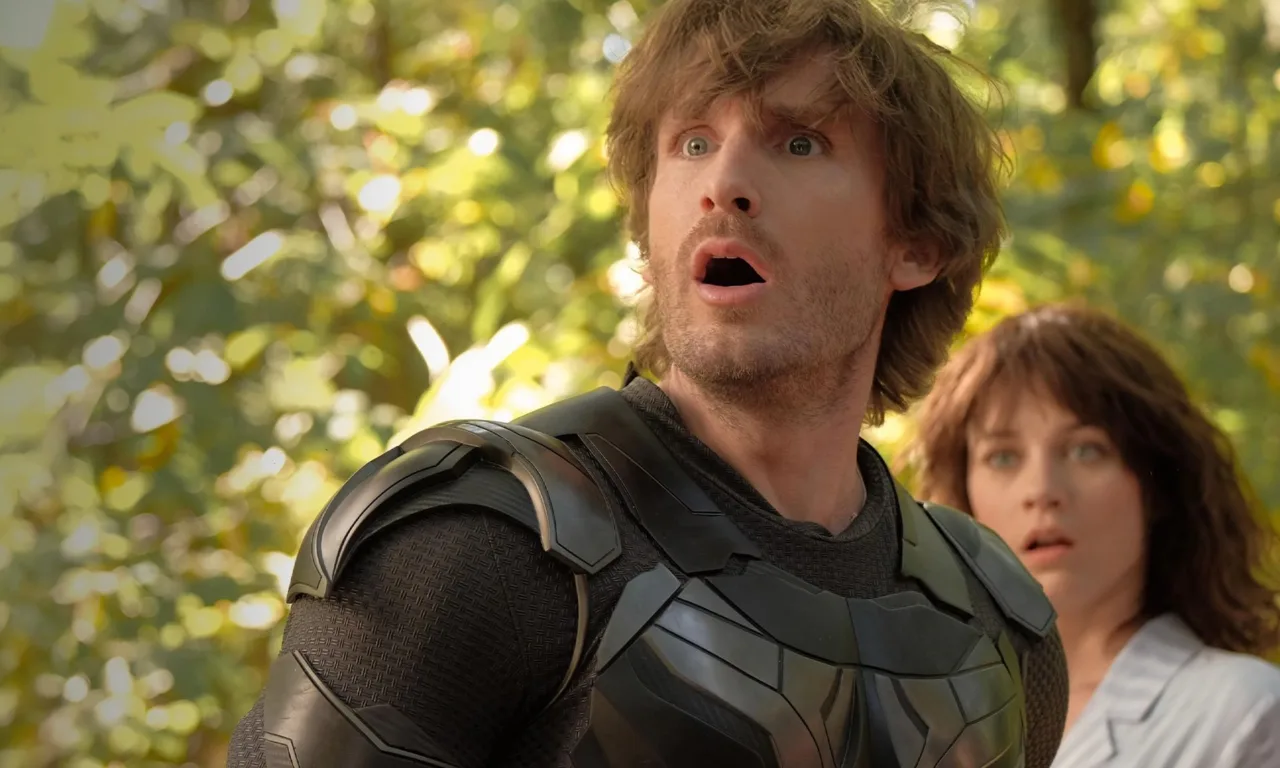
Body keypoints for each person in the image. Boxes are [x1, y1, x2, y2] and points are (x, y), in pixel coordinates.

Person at [228, 1, 1071, 766]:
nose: (723, 185)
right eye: (693, 143)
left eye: (799, 143)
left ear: (916, 245)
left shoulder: (998, 626)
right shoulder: (477, 549)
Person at [905, 303, 1280, 767]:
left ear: (1157, 485)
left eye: (1086, 450)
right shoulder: (914, 720)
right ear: (963, 496)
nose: (1042, 490)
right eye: (1003, 457)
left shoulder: (1244, 715)